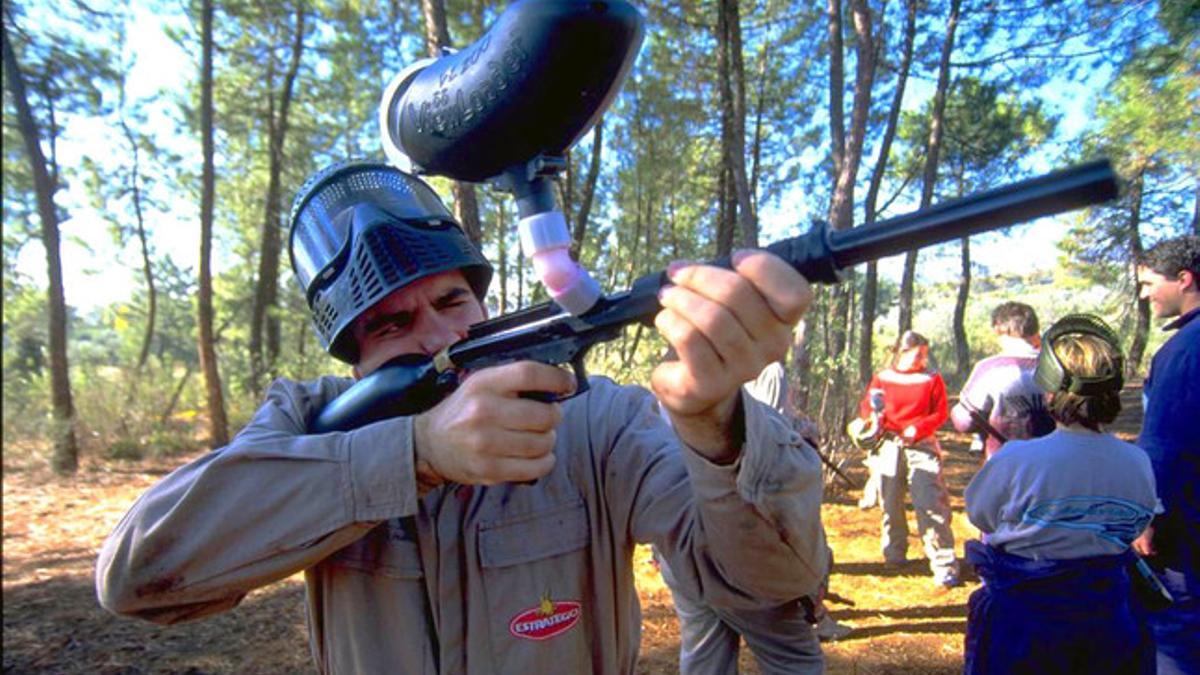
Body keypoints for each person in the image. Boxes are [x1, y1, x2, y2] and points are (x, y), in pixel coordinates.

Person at [94, 160, 830, 674]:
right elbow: (136, 574)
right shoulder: (310, 420)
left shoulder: (595, 418)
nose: (440, 335)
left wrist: (716, 427)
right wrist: (415, 452)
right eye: (391, 325)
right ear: (354, 358)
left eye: (452, 302)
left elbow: (769, 581)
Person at [962, 314, 1158, 674]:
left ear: (1050, 391)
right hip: (1107, 619)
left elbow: (980, 514)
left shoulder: (1016, 458)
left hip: (1025, 622)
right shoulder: (1137, 461)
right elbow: (1137, 522)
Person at [652, 361, 849, 675]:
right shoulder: (753, 387)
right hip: (746, 562)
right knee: (796, 662)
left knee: (705, 658)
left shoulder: (659, 406)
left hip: (682, 557)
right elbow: (770, 482)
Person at [1133, 235, 1200, 674]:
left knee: (1175, 634)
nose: (1144, 294)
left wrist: (1149, 515)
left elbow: (1164, 442)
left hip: (1186, 525)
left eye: (1148, 283)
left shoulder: (1182, 350)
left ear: (1184, 278)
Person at [855, 330, 960, 588]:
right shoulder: (882, 378)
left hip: (921, 444)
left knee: (930, 502)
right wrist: (873, 421)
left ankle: (943, 562)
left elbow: (940, 412)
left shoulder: (932, 379)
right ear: (901, 352)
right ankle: (894, 554)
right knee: (890, 501)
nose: (922, 360)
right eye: (917, 354)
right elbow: (868, 408)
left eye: (925, 354)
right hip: (889, 444)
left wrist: (919, 428)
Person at [950, 301, 1054, 461]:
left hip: (1004, 463)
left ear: (999, 329)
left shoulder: (989, 369)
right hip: (1053, 463)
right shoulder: (1059, 368)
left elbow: (965, 421)